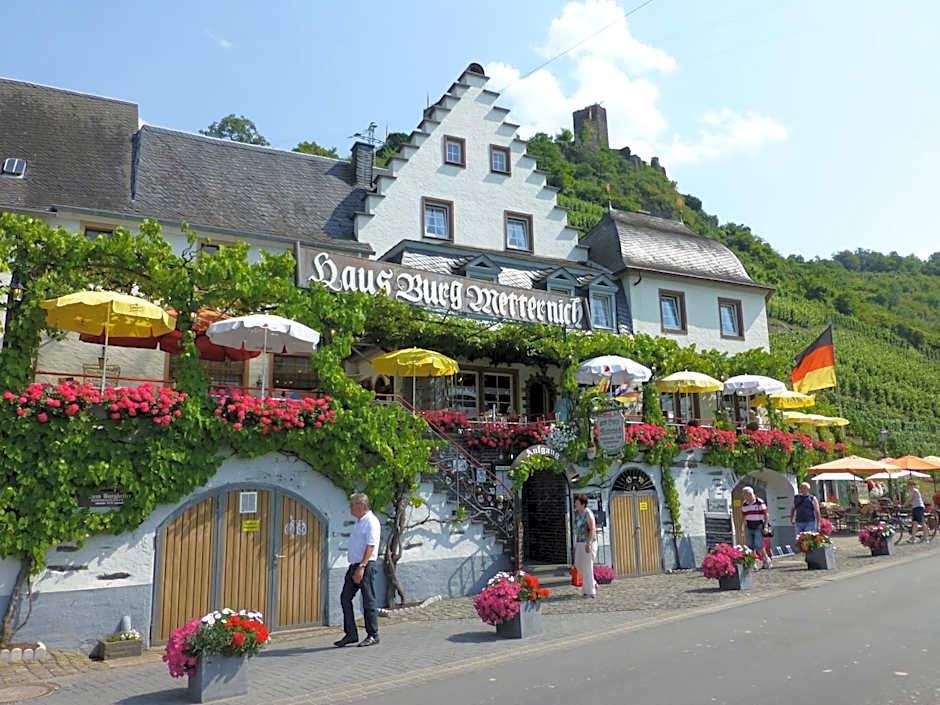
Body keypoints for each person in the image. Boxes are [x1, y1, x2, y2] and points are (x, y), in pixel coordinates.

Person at [335, 493, 381, 647]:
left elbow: (371, 546)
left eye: (352, 504)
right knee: (345, 597)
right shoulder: (360, 522)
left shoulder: (371, 522)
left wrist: (361, 566)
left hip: (365, 566)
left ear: (361, 505)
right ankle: (351, 634)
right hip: (355, 565)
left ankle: (373, 634)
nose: (350, 508)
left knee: (368, 600)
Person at [741, 486, 772, 569]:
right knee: (750, 546)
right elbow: (744, 516)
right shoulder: (744, 504)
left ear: (751, 494)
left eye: (746, 494)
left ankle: (766, 560)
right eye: (744, 494)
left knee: (759, 545)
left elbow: (766, 514)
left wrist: (765, 526)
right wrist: (743, 528)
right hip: (749, 526)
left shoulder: (759, 502)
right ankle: (753, 562)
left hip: (758, 525)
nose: (745, 496)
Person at [572, 494, 597, 598]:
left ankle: (589, 591)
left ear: (583, 504)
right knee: (578, 565)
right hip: (579, 542)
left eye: (577, 502)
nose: (575, 504)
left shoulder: (588, 514)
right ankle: (593, 583)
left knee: (587, 568)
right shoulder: (577, 514)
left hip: (587, 542)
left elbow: (592, 529)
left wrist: (589, 543)